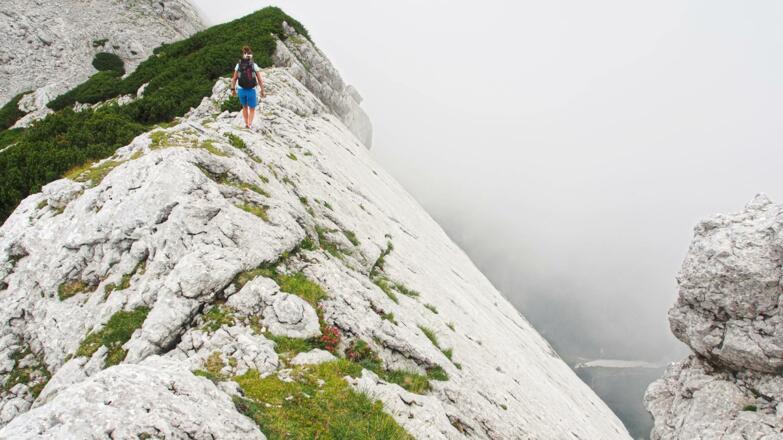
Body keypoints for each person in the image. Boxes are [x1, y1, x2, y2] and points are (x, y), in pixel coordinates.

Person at [231, 46, 266, 129]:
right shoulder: (254, 65)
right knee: (252, 109)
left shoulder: (238, 65)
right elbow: (260, 79)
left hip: (241, 89)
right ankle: (249, 124)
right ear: (251, 55)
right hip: (251, 90)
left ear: (243, 55)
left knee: (244, 107)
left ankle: (246, 122)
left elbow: (234, 79)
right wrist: (262, 90)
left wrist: (233, 89)